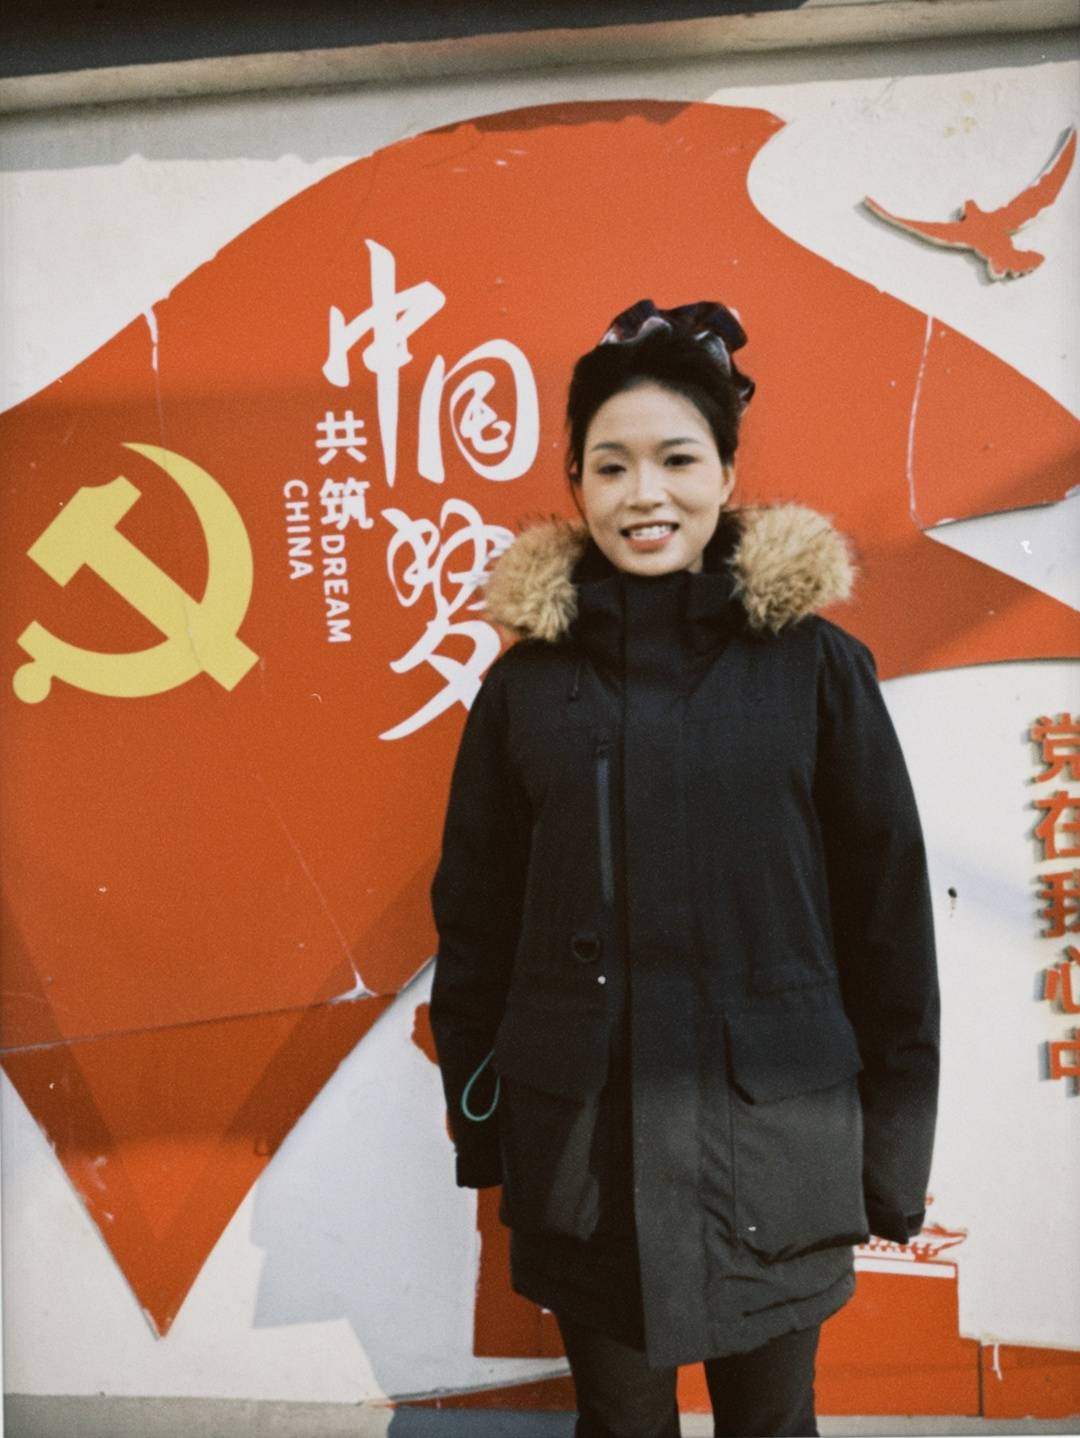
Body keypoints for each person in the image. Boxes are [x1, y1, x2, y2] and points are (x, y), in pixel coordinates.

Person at [429, 299, 940, 1438]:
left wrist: (891, 1158)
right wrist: (486, 1128)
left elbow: (888, 925)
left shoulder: (817, 669)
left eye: (677, 459)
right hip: (587, 1159)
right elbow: (475, 923)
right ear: (575, 481)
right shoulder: (525, 688)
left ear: (727, 472)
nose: (644, 493)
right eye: (610, 465)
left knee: (773, 1427)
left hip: (780, 1152)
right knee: (619, 1426)